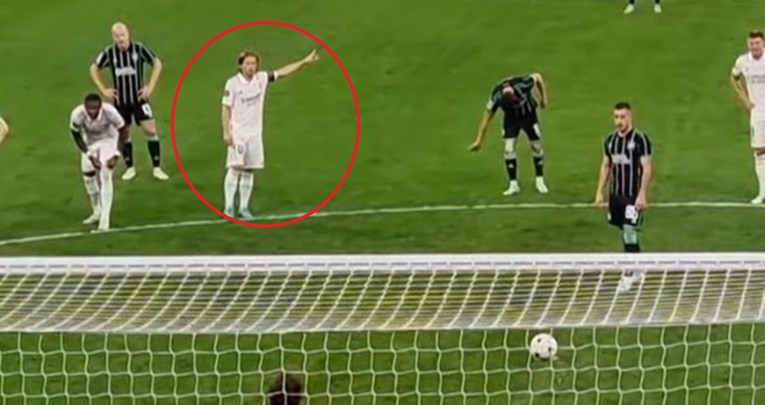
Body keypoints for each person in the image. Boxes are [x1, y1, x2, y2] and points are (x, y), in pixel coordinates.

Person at [221, 49, 320, 219]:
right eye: (248, 63)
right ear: (241, 65)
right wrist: (226, 132)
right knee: (235, 168)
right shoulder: (233, 84)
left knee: (249, 169)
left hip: (255, 134)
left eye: (254, 63)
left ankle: (243, 207)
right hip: (238, 133)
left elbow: (282, 72)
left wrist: (304, 62)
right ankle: (229, 206)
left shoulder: (261, 78)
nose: (251, 67)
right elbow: (225, 108)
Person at [89, 22, 169, 181]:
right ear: (113, 38)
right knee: (124, 133)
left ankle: (157, 168)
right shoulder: (109, 53)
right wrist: (103, 90)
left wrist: (150, 87)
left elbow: (157, 63)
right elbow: (93, 68)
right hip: (121, 101)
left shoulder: (139, 49)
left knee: (150, 129)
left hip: (139, 99)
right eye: (117, 36)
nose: (120, 39)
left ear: (128, 35)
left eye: (122, 35)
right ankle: (130, 168)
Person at [594, 102, 653, 292]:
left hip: (633, 196)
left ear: (630, 117)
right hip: (616, 196)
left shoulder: (640, 139)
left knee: (629, 231)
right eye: (616, 117)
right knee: (626, 232)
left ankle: (629, 274)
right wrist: (599, 191)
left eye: (622, 117)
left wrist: (642, 194)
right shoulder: (610, 140)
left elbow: (647, 167)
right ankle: (639, 266)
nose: (619, 121)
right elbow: (606, 166)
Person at [468, 73, 549, 196]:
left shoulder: (523, 84)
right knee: (508, 149)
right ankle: (513, 184)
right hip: (511, 120)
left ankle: (540, 180)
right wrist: (479, 140)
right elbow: (487, 117)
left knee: (536, 146)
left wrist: (544, 98)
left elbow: (538, 77)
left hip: (528, 115)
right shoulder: (496, 96)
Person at [70, 93, 126, 232]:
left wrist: (116, 154)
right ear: (85, 107)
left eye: (95, 108)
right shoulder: (77, 115)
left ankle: (104, 220)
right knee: (88, 176)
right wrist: (89, 155)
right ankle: (97, 211)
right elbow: (76, 135)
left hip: (109, 139)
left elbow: (123, 130)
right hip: (90, 142)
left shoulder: (110, 112)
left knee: (105, 173)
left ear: (100, 106)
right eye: (90, 108)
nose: (92, 111)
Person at [730, 30, 765, 204]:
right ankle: (763, 193)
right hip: (757, 113)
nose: (754, 46)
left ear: (763, 43)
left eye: (757, 43)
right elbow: (734, 78)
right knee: (760, 152)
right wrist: (744, 99)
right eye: (751, 43)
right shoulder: (743, 61)